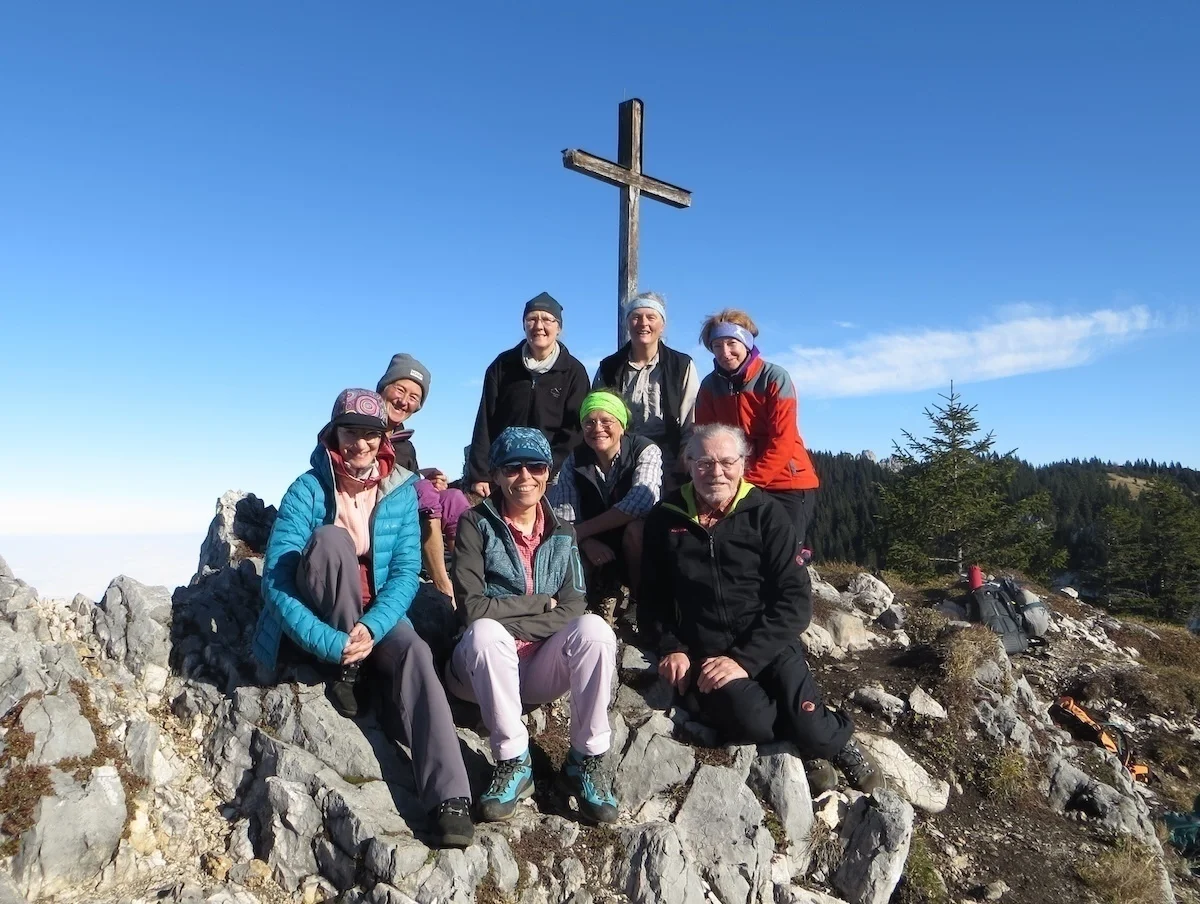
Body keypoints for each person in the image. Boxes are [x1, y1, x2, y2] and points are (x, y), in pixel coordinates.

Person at [255, 389, 475, 848]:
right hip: (322, 619)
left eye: (370, 434)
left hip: (371, 616)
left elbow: (403, 575)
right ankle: (347, 668)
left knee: (415, 651)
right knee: (332, 540)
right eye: (351, 431)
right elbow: (275, 584)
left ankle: (449, 797)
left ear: (384, 438)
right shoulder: (308, 488)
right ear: (334, 433)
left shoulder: (397, 490)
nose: (360, 444)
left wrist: (373, 628)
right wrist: (333, 644)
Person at [639, 423, 881, 793]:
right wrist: (672, 647)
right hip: (706, 649)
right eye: (703, 462)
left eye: (726, 461)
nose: (715, 472)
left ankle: (831, 741)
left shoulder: (766, 514)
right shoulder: (665, 517)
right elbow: (652, 597)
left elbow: (795, 601)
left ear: (742, 463)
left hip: (768, 641)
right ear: (688, 464)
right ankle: (806, 742)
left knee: (810, 721)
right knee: (751, 723)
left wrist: (744, 659)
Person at [446, 427, 620, 825]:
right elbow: (473, 610)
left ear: (549, 472)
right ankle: (512, 761)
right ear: (496, 474)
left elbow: (576, 606)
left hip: (538, 668)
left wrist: (514, 620)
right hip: (477, 668)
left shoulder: (564, 532)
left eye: (536, 466)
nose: (525, 477)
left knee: (595, 630)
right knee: (487, 635)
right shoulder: (475, 524)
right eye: (512, 467)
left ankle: (586, 760)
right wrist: (541, 604)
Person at [695, 309, 820, 552]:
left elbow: (782, 441)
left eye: (732, 343)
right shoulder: (710, 386)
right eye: (717, 345)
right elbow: (705, 439)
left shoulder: (774, 378)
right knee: (741, 555)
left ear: (747, 343)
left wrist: (744, 484)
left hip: (787, 482)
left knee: (785, 557)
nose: (724, 352)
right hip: (737, 484)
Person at [548, 389, 662, 617]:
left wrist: (581, 531)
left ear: (622, 424)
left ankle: (643, 606)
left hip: (640, 539)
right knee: (567, 545)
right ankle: (576, 608)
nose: (597, 428)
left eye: (606, 420)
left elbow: (641, 502)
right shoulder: (574, 460)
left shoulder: (645, 450)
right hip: (596, 539)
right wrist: (586, 540)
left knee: (636, 531)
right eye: (589, 422)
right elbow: (564, 513)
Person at [467, 292, 590, 498]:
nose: (539, 326)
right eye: (532, 319)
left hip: (552, 473)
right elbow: (485, 421)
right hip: (505, 467)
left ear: (558, 328)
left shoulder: (574, 372)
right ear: (523, 325)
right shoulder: (502, 366)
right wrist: (479, 474)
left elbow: (575, 430)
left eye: (547, 320)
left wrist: (548, 467)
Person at [377, 353, 471, 604]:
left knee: (454, 498)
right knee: (427, 495)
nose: (404, 401)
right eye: (400, 389)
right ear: (384, 387)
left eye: (413, 397)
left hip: (403, 513)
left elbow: (408, 479)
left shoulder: (404, 444)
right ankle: (444, 586)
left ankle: (468, 581)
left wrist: (426, 478)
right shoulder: (360, 426)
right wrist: (421, 486)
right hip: (372, 514)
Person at [592, 292, 699, 488]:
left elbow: (690, 420)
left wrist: (684, 459)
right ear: (627, 323)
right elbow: (597, 415)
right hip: (622, 458)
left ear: (662, 325)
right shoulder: (609, 368)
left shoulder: (681, 365)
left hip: (670, 460)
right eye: (636, 317)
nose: (643, 323)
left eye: (651, 317)